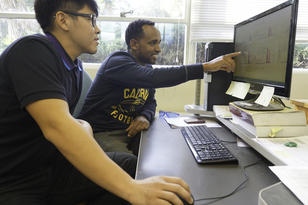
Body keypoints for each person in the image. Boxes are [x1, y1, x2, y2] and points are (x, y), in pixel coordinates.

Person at [0, 1, 195, 205]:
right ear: (63, 20)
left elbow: (63, 120)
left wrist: (83, 125)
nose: (98, 28)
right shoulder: (32, 51)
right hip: (12, 181)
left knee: (132, 167)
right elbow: (57, 127)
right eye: (91, 19)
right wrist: (132, 189)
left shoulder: (74, 68)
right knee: (131, 188)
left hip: (52, 169)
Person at [78, 19, 240, 155]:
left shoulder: (145, 68)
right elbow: (154, 78)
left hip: (130, 133)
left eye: (159, 43)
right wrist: (205, 67)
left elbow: (150, 102)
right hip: (102, 133)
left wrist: (144, 116)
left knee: (166, 153)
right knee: (135, 168)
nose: (158, 49)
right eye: (152, 43)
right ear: (134, 44)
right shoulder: (117, 62)